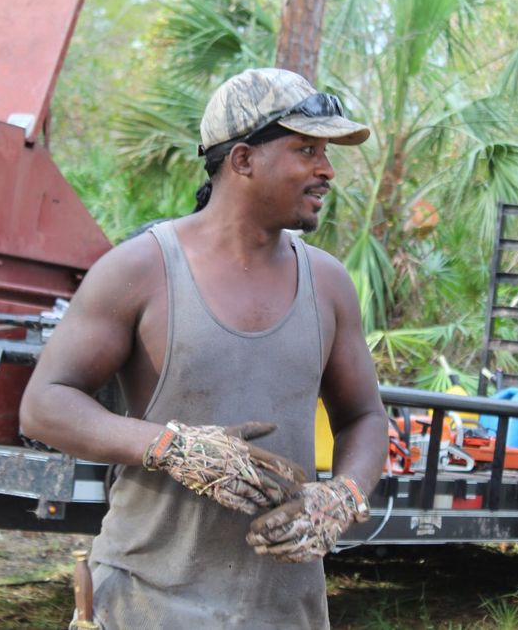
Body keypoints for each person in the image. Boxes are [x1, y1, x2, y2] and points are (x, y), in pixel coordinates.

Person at [20, 67, 388, 629]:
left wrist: (341, 496)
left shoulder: (329, 284)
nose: (326, 171)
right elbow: (45, 404)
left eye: (327, 153)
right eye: (307, 150)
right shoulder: (142, 269)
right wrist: (173, 447)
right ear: (242, 160)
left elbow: (364, 415)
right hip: (146, 604)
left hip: (285, 610)